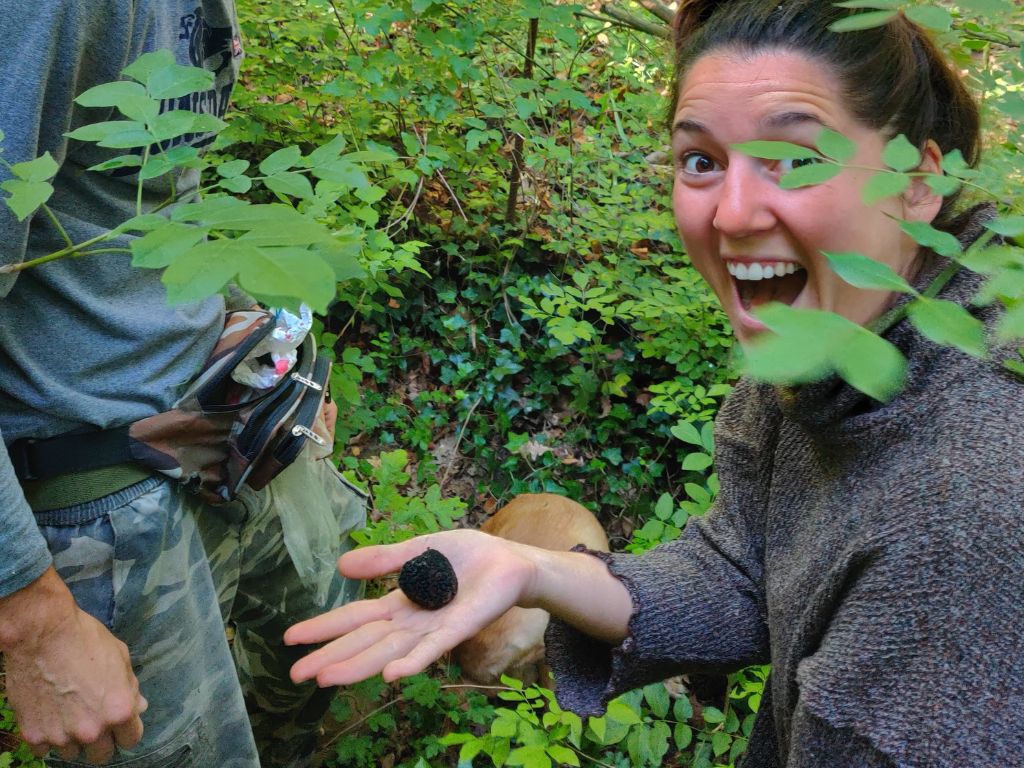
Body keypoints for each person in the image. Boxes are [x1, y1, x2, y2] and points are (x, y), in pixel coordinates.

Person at [285, 2, 1024, 766]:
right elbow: (745, 570)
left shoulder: (960, 518)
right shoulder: (825, 345)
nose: (732, 214)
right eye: (700, 160)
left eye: (796, 158)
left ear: (918, 182)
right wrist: (534, 569)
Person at [0, 2, 365, 766]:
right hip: (101, 494)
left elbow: (161, 203)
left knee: (325, 650)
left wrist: (271, 357)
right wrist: (33, 617)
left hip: (231, 418)